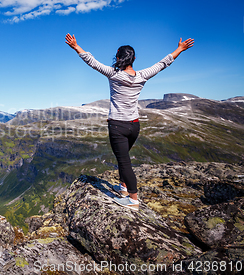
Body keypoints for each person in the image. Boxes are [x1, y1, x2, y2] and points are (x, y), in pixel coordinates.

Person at [65, 33, 194, 210]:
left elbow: (92, 61)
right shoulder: (142, 76)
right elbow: (162, 64)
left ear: (118, 58)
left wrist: (76, 47)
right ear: (134, 59)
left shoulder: (113, 75)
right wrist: (180, 49)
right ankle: (123, 188)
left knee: (124, 162)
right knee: (122, 157)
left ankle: (133, 200)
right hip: (134, 125)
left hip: (117, 125)